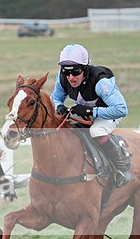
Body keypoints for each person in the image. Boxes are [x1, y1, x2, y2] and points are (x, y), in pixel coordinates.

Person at [51, 43, 133, 187]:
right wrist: (59, 106)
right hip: (85, 112)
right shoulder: (63, 77)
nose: (70, 77)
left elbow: (121, 109)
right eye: (66, 71)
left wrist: (90, 111)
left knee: (96, 131)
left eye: (75, 71)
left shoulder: (101, 82)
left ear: (85, 68)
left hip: (108, 113)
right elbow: (56, 97)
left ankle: (122, 168)